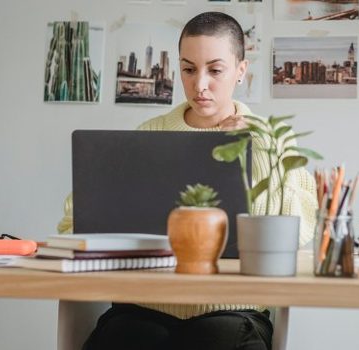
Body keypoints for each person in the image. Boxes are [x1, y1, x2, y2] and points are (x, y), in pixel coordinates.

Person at [58, 12, 317, 350]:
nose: (200, 85)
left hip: (232, 311)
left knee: (217, 340)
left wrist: (261, 150)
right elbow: (72, 225)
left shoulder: (272, 140)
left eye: (215, 70)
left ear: (241, 70)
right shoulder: (148, 136)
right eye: (189, 69)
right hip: (142, 308)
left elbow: (299, 230)